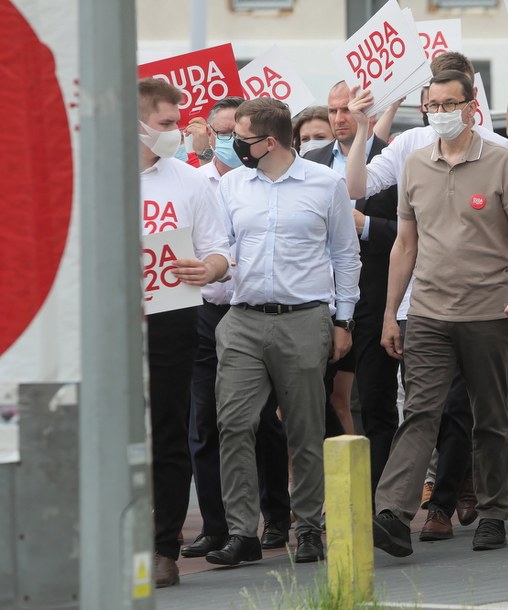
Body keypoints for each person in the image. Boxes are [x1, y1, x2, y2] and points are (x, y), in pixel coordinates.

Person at [358, 69, 508, 556]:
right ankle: (392, 513)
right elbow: (404, 245)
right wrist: (390, 313)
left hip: (488, 310)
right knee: (419, 412)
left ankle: (493, 511)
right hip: (428, 312)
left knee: (489, 416)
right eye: (431, 105)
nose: (439, 113)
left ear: (471, 105)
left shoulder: (501, 160)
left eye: (448, 104)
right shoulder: (414, 165)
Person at [207, 97, 361, 567]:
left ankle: (309, 526)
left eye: (242, 136)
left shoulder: (326, 183)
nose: (234, 144)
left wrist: (343, 320)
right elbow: (220, 246)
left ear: (269, 141)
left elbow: (344, 255)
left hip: (305, 317)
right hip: (243, 318)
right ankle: (242, 533)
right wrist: (208, 267)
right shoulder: (231, 186)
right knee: (233, 423)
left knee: (304, 427)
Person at [182, 96, 292, 560]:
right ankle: (217, 525)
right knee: (206, 423)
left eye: (237, 135)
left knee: (264, 423)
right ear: (208, 133)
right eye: (222, 134)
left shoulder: (265, 184)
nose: (231, 144)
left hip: (254, 312)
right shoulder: (193, 182)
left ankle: (277, 518)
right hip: (209, 314)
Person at [137, 78, 231, 587]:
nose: (176, 132)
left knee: (170, 430)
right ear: (136, 122)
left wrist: (209, 268)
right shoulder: (95, 177)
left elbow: (220, 249)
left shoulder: (190, 181)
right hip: (109, 329)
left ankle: (163, 546)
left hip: (172, 319)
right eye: (166, 124)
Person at [303, 80, 400, 491]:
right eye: (333, 110)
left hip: (376, 298)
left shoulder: (394, 156)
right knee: (315, 398)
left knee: (375, 401)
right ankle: (335, 487)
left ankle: (375, 495)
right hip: (321, 301)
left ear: (370, 112)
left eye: (347, 110)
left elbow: (414, 233)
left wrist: (367, 227)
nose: (339, 118)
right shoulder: (310, 161)